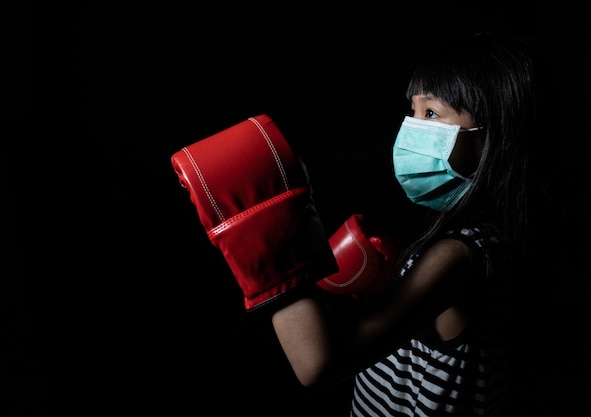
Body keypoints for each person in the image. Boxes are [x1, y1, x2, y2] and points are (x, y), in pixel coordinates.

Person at [171, 30, 560, 416]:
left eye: (431, 113)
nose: (412, 128)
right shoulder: (490, 241)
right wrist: (385, 287)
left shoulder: (460, 255)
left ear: (494, 139)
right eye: (413, 110)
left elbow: (317, 364)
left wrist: (269, 242)